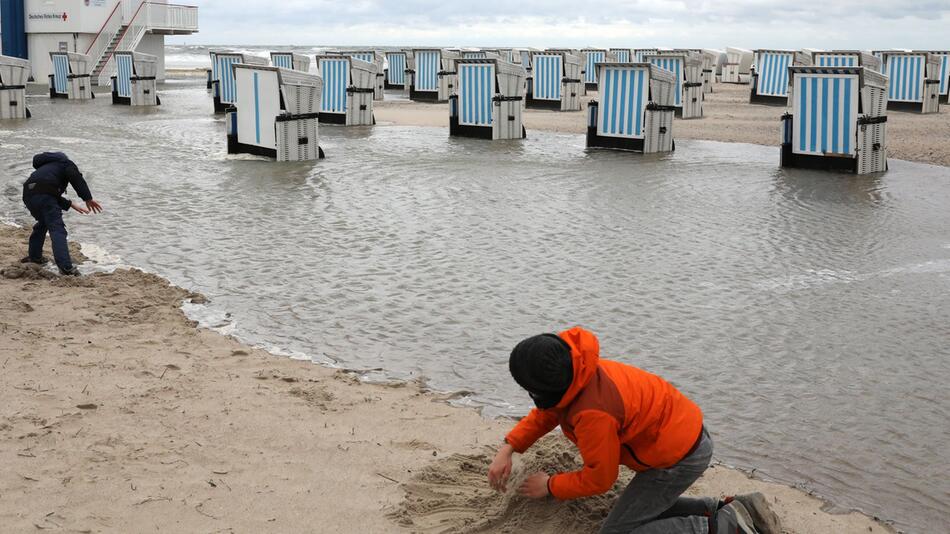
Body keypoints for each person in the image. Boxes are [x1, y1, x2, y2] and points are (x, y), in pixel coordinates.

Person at [487, 327, 783, 534]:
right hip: (682, 436)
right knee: (639, 508)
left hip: (677, 459)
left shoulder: (593, 415)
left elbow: (600, 478)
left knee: (619, 531)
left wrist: (549, 485)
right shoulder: (579, 368)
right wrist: (509, 447)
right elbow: (549, 412)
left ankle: (720, 526)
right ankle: (729, 507)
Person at [21, 152, 102, 276]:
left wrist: (70, 204)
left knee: (43, 223)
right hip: (45, 196)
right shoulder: (65, 163)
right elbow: (75, 177)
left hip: (28, 195)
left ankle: (35, 257)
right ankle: (66, 268)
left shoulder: (45, 169)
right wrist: (88, 198)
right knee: (57, 229)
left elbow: (45, 190)